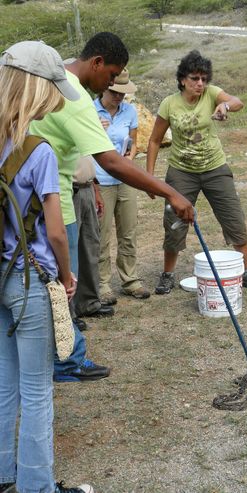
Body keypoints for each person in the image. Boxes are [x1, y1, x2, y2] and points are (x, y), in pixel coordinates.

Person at [30, 33, 193, 381]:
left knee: (50, 287)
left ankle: (62, 356)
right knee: (63, 286)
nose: (110, 83)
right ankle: (65, 362)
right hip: (55, 203)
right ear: (97, 62)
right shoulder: (73, 96)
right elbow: (112, 162)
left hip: (30, 203)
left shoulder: (48, 76)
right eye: (111, 75)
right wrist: (170, 193)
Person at [0, 41, 93, 493]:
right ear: (38, 91)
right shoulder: (39, 151)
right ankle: (38, 487)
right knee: (37, 390)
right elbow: (56, 232)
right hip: (30, 279)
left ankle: (3, 475)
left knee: (4, 384)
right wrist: (67, 273)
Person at [146, 50, 247, 294]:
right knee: (174, 224)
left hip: (215, 168)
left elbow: (238, 102)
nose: (200, 83)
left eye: (204, 78)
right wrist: (150, 178)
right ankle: (168, 274)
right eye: (194, 78)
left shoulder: (212, 94)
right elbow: (154, 141)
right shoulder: (169, 103)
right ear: (183, 79)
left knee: (234, 218)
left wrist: (224, 105)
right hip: (181, 172)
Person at [94, 68, 150, 303]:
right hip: (100, 180)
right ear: (104, 88)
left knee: (128, 231)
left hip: (125, 178)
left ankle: (130, 280)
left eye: (123, 93)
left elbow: (134, 143)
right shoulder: (89, 110)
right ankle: (102, 284)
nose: (119, 97)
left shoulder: (129, 111)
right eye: (115, 92)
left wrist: (130, 156)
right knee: (102, 235)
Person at [71, 155, 115, 327]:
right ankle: (69, 312)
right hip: (69, 190)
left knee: (90, 245)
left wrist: (95, 189)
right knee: (70, 249)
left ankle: (89, 303)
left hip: (87, 186)